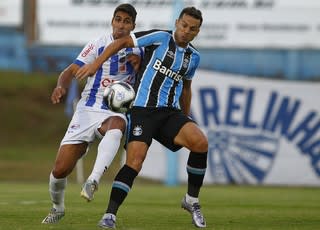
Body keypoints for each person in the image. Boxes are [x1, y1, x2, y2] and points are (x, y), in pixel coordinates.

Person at [76, 6, 208, 229]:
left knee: (200, 143)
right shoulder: (159, 38)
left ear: (197, 31)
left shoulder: (193, 57)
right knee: (135, 163)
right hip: (142, 111)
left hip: (169, 113)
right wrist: (95, 64)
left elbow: (186, 88)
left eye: (192, 29)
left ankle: (191, 200)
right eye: (184, 25)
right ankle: (109, 216)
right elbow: (122, 42)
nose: (186, 31)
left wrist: (185, 118)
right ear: (177, 22)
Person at [42, 3, 143, 224]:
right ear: (112, 21)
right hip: (87, 109)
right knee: (60, 170)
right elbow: (70, 70)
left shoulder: (139, 48)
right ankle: (57, 207)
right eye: (118, 19)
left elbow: (148, 78)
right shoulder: (97, 43)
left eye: (127, 21)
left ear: (133, 26)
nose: (121, 25)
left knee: (118, 125)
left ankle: (93, 180)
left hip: (114, 109)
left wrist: (140, 66)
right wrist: (61, 86)